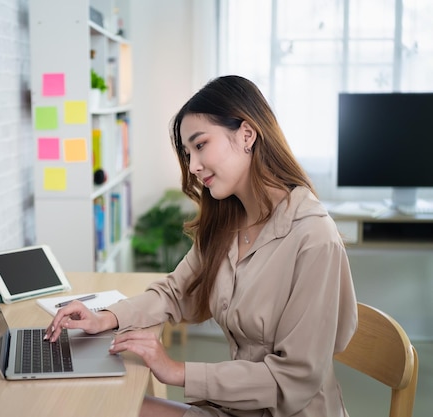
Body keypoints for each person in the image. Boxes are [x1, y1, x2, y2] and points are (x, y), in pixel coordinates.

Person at [45, 75, 358, 417]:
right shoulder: (228, 223)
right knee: (103, 407)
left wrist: (178, 371)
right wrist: (104, 318)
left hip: (289, 412)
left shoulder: (314, 238)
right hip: (238, 407)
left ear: (247, 135)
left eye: (200, 145)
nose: (193, 166)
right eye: (187, 152)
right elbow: (176, 291)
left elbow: (295, 380)